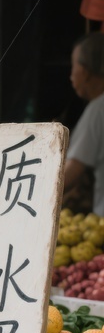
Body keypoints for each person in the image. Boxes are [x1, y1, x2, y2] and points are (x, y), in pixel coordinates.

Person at [64, 33, 104, 215]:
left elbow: (68, 175)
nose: (71, 76)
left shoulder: (98, 109)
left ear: (85, 72)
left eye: (73, 67)